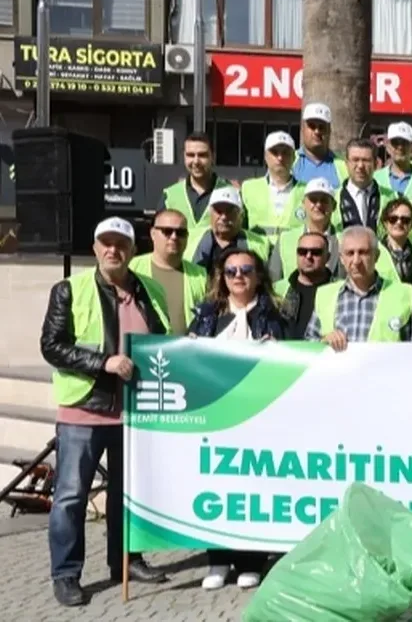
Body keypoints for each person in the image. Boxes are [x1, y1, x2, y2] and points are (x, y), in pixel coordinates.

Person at [40, 217, 170, 607]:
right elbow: (51, 345)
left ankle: (126, 561)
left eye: (121, 243)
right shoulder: (69, 290)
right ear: (95, 248)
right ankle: (66, 574)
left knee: (127, 496)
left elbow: (160, 338)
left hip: (133, 413)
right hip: (84, 411)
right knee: (70, 497)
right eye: (106, 243)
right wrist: (103, 362)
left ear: (133, 249)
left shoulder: (148, 290)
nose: (113, 250)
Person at [188, 248, 284, 590]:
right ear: (221, 277)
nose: (239, 276)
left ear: (258, 275)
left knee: (254, 491)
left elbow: (291, 357)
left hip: (259, 417)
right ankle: (217, 559)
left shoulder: (274, 314)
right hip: (217, 417)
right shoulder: (206, 314)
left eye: (246, 270)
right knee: (217, 488)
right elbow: (189, 356)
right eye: (231, 271)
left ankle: (251, 561)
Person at [304, 226, 412, 347]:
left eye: (363, 252)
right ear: (341, 258)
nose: (356, 260)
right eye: (350, 253)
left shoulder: (403, 295)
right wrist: (324, 340)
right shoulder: (325, 295)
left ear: (376, 256)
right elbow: (309, 343)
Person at [130, 208, 208, 334]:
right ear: (153, 234)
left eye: (180, 233)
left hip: (186, 350)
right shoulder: (132, 268)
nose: (174, 237)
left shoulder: (201, 275)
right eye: (167, 231)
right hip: (144, 350)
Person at [269, 178, 342, 281]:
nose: (318, 205)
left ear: (334, 206)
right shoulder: (286, 239)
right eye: (313, 200)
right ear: (303, 204)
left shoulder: (345, 240)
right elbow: (274, 280)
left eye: (324, 200)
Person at [240, 131, 305, 244]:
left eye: (285, 153)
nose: (280, 158)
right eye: (274, 153)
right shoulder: (248, 188)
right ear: (265, 156)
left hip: (292, 255)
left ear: (294, 157)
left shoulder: (307, 190)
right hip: (257, 254)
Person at [159, 131, 233, 232]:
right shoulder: (169, 196)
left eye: (202, 155)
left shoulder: (231, 193)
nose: (196, 161)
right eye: (190, 155)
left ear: (213, 157)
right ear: (184, 157)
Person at [186, 187, 271, 273]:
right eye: (218, 211)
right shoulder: (189, 239)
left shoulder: (261, 244)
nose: (224, 217)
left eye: (229, 211)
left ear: (241, 215)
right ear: (210, 213)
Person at [275, 232, 335, 340]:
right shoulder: (278, 289)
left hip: (323, 354)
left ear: (328, 257)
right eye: (302, 251)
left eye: (316, 252)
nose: (308, 256)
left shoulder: (339, 290)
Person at [292, 102, 349, 188]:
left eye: (321, 127)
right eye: (312, 126)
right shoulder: (290, 161)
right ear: (302, 129)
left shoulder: (343, 166)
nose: (317, 132)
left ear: (329, 131)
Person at [373, 122, 412, 203]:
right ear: (388, 147)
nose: (400, 147)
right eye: (395, 143)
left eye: (404, 143)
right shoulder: (375, 178)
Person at [335, 138, 382, 232]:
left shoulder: (391, 197)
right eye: (355, 160)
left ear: (376, 164)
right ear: (346, 163)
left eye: (366, 160)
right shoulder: (333, 198)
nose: (360, 166)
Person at [377, 197, 412, 285]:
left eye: (405, 220)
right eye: (393, 219)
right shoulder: (374, 252)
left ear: (411, 224)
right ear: (385, 222)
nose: (399, 223)